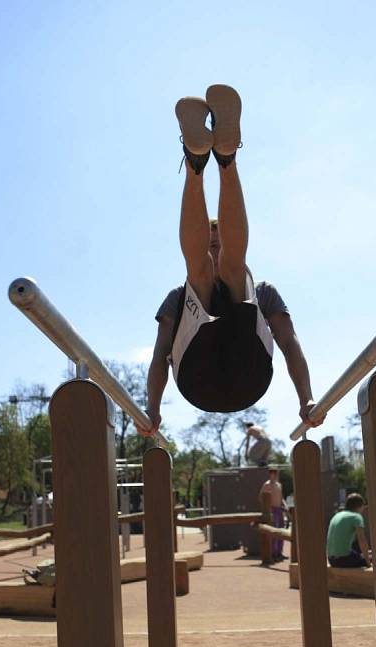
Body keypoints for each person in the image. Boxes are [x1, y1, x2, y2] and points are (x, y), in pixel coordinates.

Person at [137, 84, 322, 436]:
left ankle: (198, 163)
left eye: (217, 242)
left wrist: (307, 399)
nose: (215, 247)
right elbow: (161, 353)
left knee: (227, 273)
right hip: (199, 374)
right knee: (206, 275)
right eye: (211, 243)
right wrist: (151, 408)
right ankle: (224, 159)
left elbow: (289, 342)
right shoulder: (181, 296)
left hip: (246, 370)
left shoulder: (260, 293)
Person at [327, 493, 371, 569]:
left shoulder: (336, 516)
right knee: (374, 559)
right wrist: (368, 563)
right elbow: (362, 540)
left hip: (331, 560)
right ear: (360, 506)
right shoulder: (356, 517)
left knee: (360, 552)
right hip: (344, 560)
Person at [259, 468, 288, 561]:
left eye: (275, 473)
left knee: (281, 530)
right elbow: (261, 496)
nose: (274, 475)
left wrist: (285, 505)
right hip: (271, 510)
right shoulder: (267, 485)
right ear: (270, 474)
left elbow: (281, 497)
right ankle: (273, 553)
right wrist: (267, 508)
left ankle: (279, 552)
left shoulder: (279, 485)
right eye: (272, 473)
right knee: (273, 531)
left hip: (279, 510)